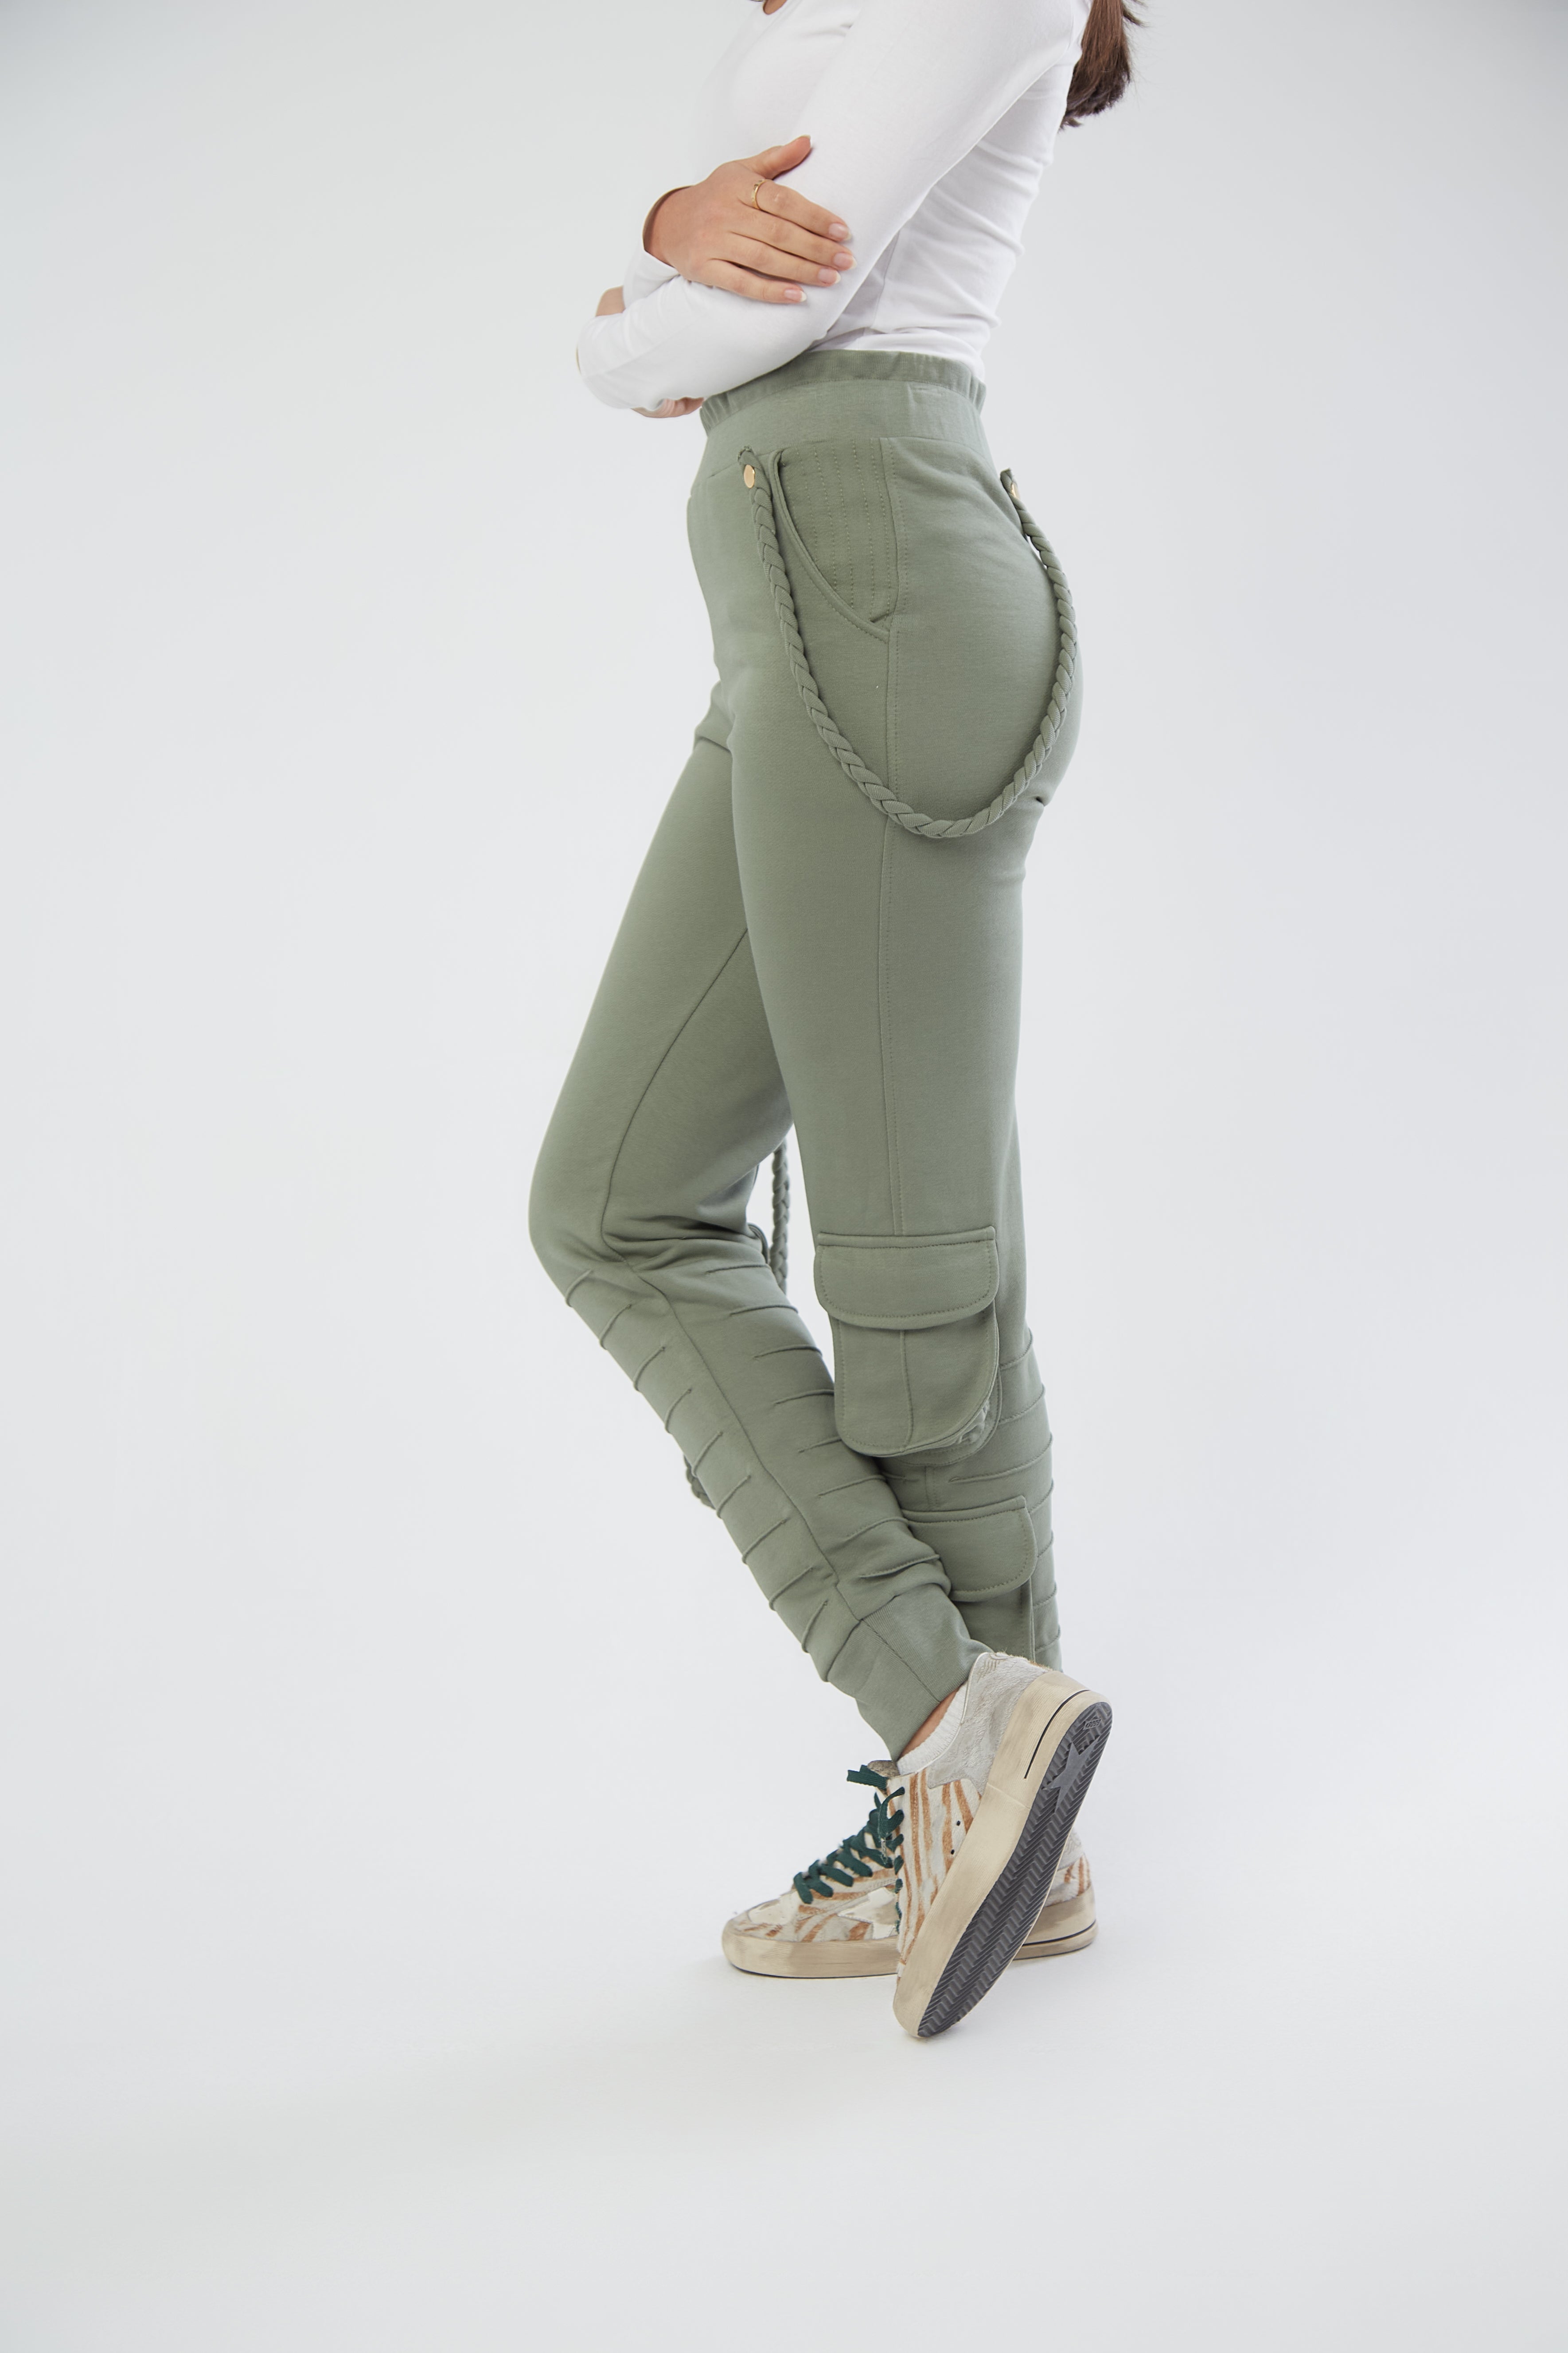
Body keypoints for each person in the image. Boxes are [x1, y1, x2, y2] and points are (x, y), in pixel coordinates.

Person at [530, 0, 1136, 2039]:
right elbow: (705, 301)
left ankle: (963, 1768)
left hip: (875, 567)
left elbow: (736, 315)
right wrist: (664, 230)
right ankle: (984, 1748)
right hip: (800, 599)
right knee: (615, 1199)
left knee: (908, 1247)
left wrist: (638, 304)